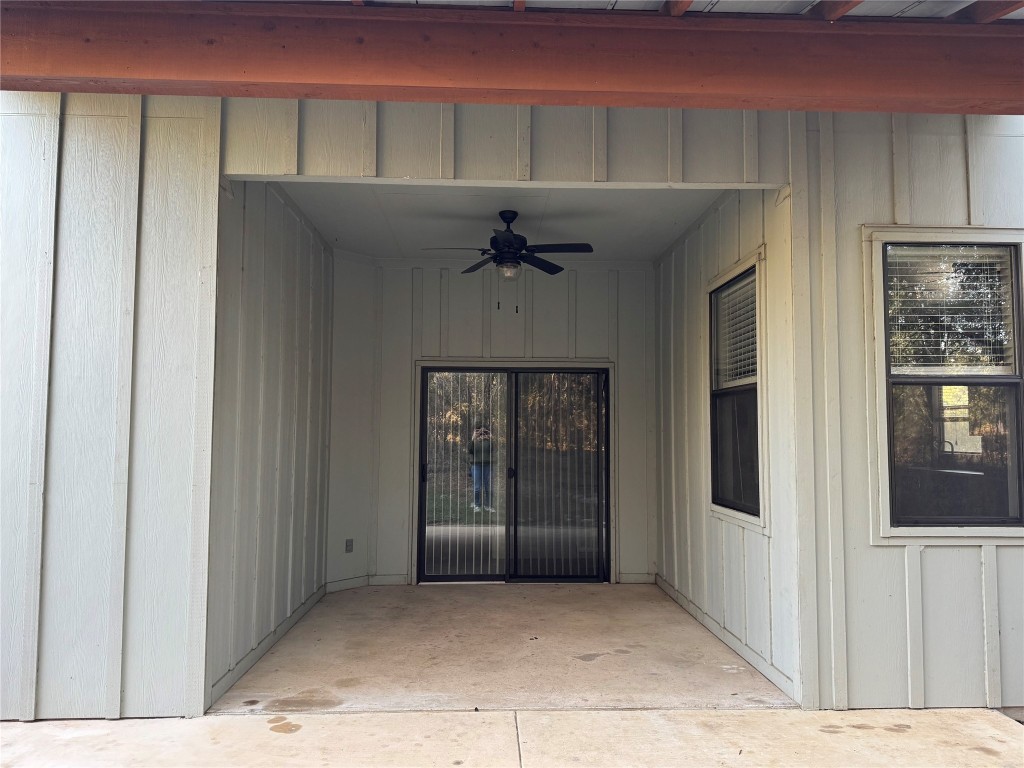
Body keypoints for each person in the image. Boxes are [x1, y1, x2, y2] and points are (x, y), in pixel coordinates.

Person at [468, 420, 494, 512]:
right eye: (479, 431)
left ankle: (488, 505)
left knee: (488, 487)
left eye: (484, 431)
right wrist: (473, 438)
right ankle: (477, 504)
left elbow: (493, 449)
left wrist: (491, 438)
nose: (481, 432)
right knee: (477, 487)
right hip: (476, 465)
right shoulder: (474, 441)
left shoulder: (488, 441)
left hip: (487, 465)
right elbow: (470, 450)